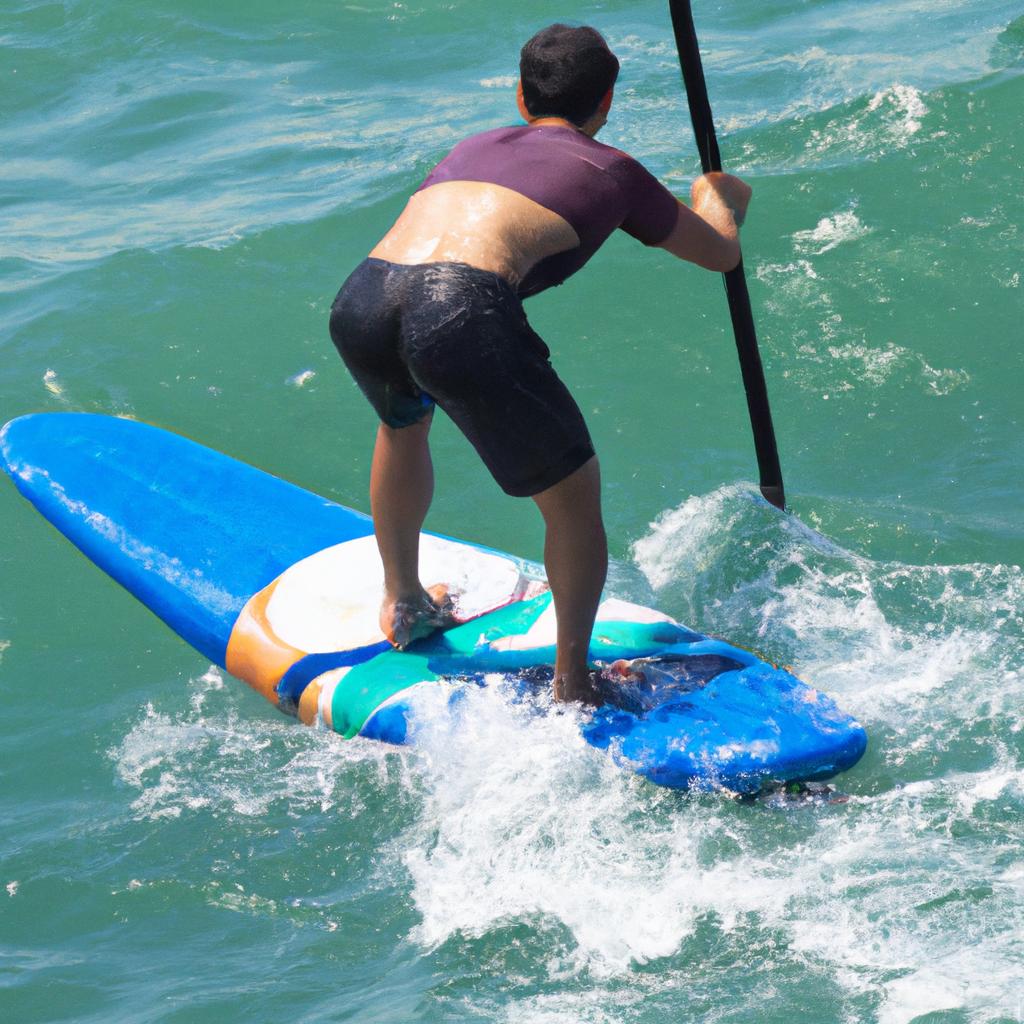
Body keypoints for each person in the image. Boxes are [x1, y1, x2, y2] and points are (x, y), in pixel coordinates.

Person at [329, 23, 751, 705]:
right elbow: (718, 254)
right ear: (608, 101)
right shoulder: (614, 170)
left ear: (520, 97)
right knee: (574, 503)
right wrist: (720, 203)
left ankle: (404, 601)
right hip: (458, 308)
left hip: (364, 296)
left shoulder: (472, 145)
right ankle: (573, 683)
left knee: (402, 426)